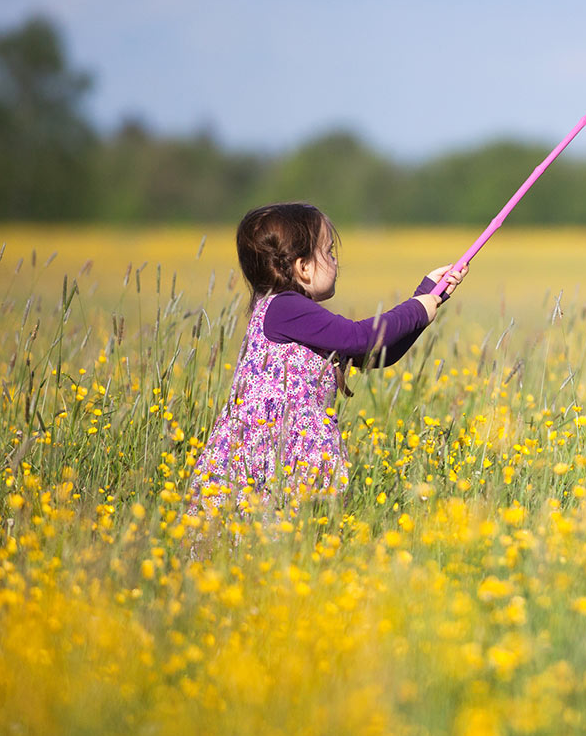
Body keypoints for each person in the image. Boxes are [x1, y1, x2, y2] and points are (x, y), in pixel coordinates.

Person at [187, 202, 464, 521]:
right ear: (303, 267)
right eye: (329, 252)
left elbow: (372, 354)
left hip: (286, 456)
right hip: (269, 459)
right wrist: (417, 308)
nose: (335, 261)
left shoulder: (295, 314)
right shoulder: (284, 308)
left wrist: (429, 296)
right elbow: (360, 337)